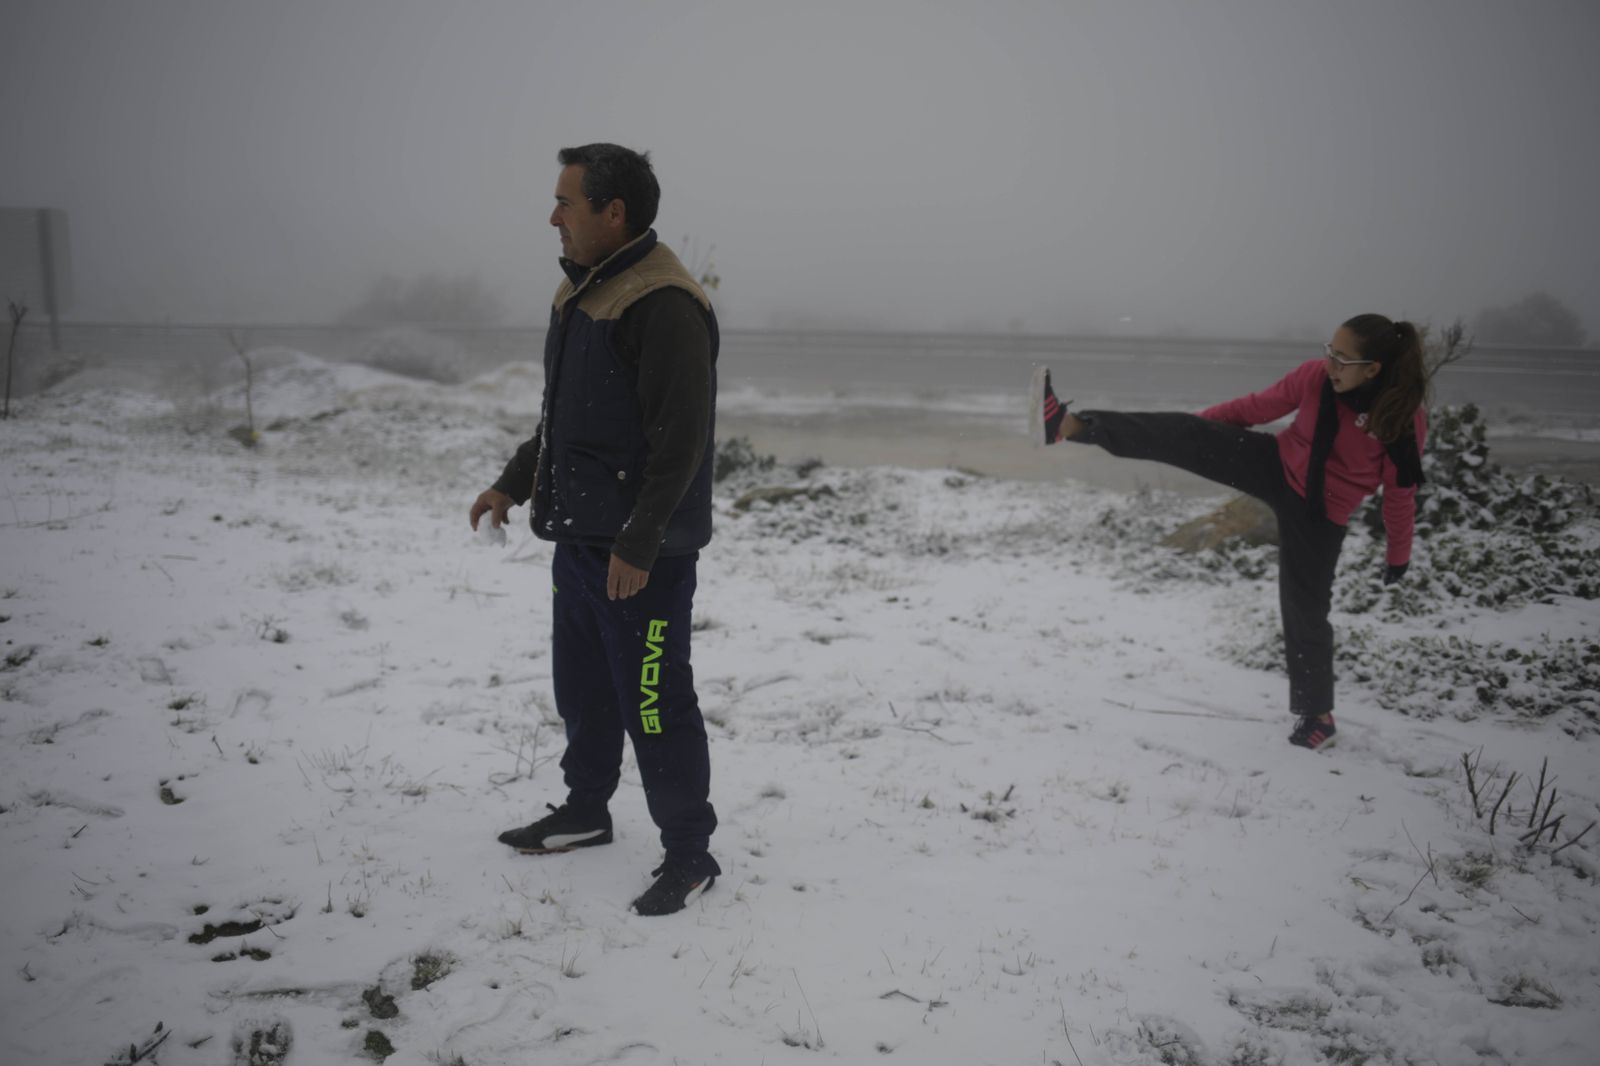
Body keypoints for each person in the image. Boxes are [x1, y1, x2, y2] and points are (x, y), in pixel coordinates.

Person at [471, 143, 720, 915]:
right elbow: (564, 419)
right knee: (582, 690)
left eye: (566, 203)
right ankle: (586, 810)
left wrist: (640, 543)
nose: (553, 217)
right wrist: (514, 482)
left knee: (654, 701)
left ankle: (690, 853)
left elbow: (681, 440)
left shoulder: (664, 304)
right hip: (580, 539)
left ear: (614, 213)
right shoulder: (583, 291)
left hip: (642, 554)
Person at [1031, 315, 1428, 749]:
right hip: (1275, 464)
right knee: (1185, 430)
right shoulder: (1315, 377)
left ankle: (1318, 717)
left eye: (1343, 359)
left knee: (1305, 611)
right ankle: (1067, 426)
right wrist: (1198, 434)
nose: (1330, 364)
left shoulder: (1401, 419)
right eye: (1330, 351)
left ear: (1372, 369)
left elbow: (1400, 495)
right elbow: (1255, 408)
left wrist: (1398, 556)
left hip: (1321, 513)